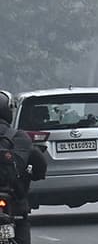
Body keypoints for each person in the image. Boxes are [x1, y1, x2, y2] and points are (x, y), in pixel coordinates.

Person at [0, 92, 47, 244]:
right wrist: (37, 174)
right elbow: (40, 163)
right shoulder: (19, 137)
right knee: (21, 222)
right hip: (15, 199)